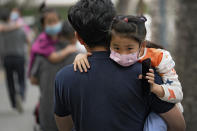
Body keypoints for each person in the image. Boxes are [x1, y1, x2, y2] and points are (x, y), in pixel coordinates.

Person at [54, 0, 186, 131]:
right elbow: (178, 125)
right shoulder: (145, 75)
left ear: (78, 37)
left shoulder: (64, 78)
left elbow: (65, 127)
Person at [30, 18, 78, 131]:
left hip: (45, 111)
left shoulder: (43, 54)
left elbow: (33, 80)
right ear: (75, 36)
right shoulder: (80, 58)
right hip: (69, 118)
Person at [0, 8, 29, 113]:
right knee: (21, 79)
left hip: (7, 58)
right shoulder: (20, 29)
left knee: (10, 81)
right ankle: (20, 95)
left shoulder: (2, 30)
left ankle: (13, 102)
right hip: (19, 57)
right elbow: (28, 40)